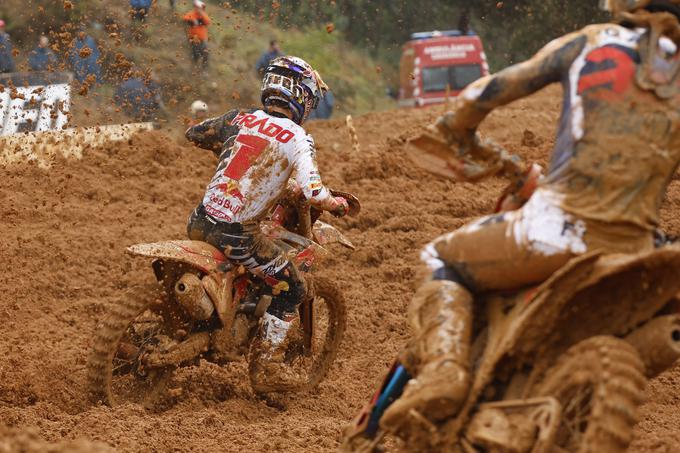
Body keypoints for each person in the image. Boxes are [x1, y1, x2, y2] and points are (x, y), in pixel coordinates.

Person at [342, 0, 680, 447]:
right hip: (641, 249)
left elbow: (484, 91)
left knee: (440, 255)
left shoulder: (594, 40)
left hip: (556, 228)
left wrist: (457, 131)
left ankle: (445, 371)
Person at [185, 56, 349, 393]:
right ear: (301, 96)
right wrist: (337, 203)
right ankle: (267, 368)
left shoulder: (239, 118)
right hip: (237, 236)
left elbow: (195, 133)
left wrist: (227, 145)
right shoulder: (297, 137)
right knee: (293, 287)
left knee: (251, 264)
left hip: (199, 222)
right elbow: (313, 191)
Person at [182, 0, 210, 71]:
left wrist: (201, 16)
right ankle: (193, 68)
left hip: (203, 38)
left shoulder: (203, 15)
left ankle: (205, 70)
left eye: (199, 7)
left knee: (206, 54)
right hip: (193, 38)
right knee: (195, 54)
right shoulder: (192, 13)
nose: (197, 8)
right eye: (196, 7)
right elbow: (185, 18)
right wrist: (192, 21)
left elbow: (208, 22)